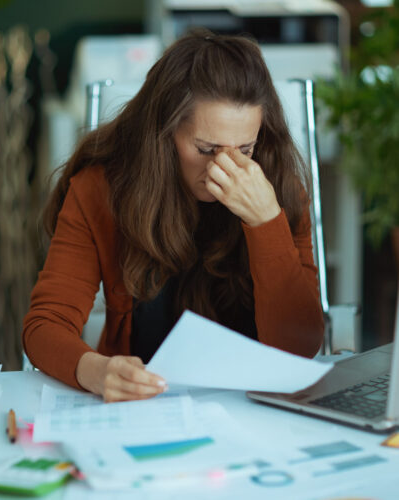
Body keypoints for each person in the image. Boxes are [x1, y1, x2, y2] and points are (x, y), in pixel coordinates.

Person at [22, 30, 325, 403]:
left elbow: (300, 347)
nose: (226, 168)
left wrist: (266, 223)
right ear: (164, 131)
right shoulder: (101, 189)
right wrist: (96, 371)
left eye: (245, 148)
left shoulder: (279, 188)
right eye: (207, 148)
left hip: (256, 404)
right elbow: (45, 324)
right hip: (145, 407)